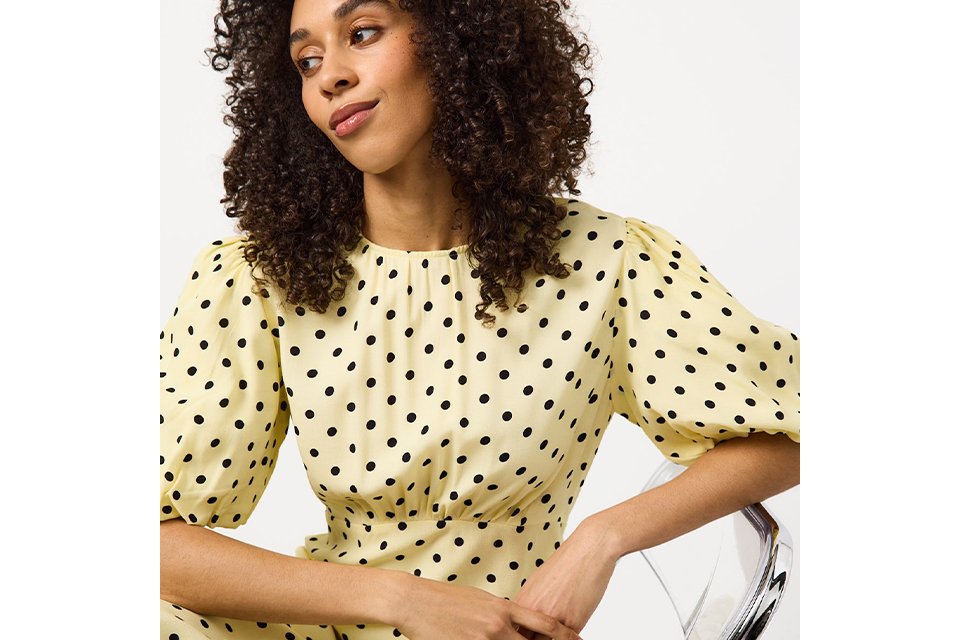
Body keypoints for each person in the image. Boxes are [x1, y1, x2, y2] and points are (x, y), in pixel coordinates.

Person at [159, 0, 801, 638]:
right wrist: (405, 601)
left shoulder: (605, 264)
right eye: (307, 60)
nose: (331, 76)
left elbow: (796, 422)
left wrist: (605, 537)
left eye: (362, 33)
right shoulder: (257, 276)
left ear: (455, 37)